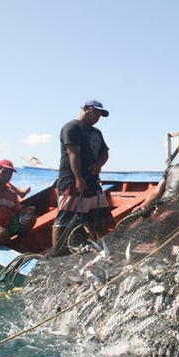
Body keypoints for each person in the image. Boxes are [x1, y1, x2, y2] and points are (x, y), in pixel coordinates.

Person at [52, 99, 112, 250]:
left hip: (92, 182)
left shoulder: (96, 132)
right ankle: (56, 253)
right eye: (96, 112)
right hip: (72, 182)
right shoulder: (71, 127)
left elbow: (105, 152)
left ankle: (103, 251)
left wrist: (98, 164)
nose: (98, 117)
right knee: (65, 219)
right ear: (85, 108)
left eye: (100, 114)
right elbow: (73, 154)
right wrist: (78, 178)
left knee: (102, 218)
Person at [136, 132, 179, 212]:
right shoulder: (171, 168)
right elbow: (157, 192)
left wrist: (166, 208)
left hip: (177, 211)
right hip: (160, 207)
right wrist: (143, 205)